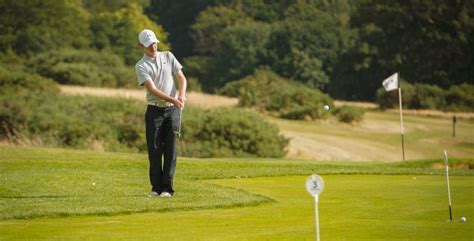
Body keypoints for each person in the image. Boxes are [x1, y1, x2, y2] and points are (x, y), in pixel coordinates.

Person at [135, 29, 187, 198]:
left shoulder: (168, 57)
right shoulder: (141, 65)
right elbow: (153, 90)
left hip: (173, 111)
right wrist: (174, 100)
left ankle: (167, 189)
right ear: (142, 46)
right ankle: (156, 188)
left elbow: (181, 78)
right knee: (155, 149)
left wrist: (180, 96)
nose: (153, 46)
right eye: (149, 45)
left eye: (155, 43)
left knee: (170, 149)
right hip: (154, 110)